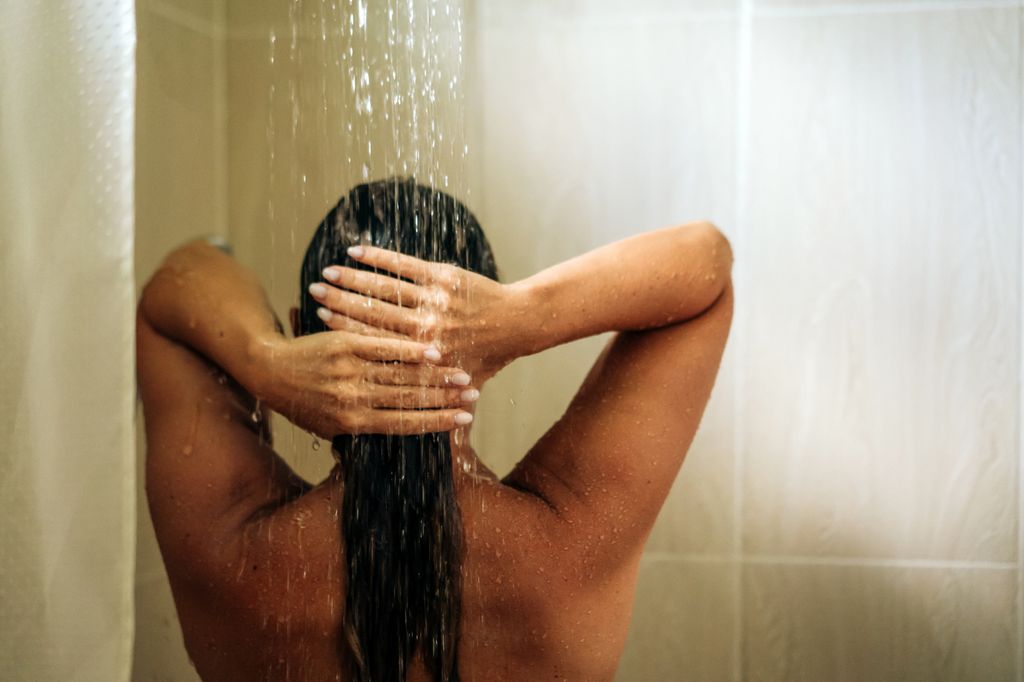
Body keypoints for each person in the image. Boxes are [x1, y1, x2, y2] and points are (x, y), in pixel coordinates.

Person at [137, 178, 733, 681]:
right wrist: (524, 316)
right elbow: (707, 265)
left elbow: (180, 277)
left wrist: (263, 359)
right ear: (485, 345)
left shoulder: (233, 549)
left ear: (301, 329)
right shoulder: (573, 538)